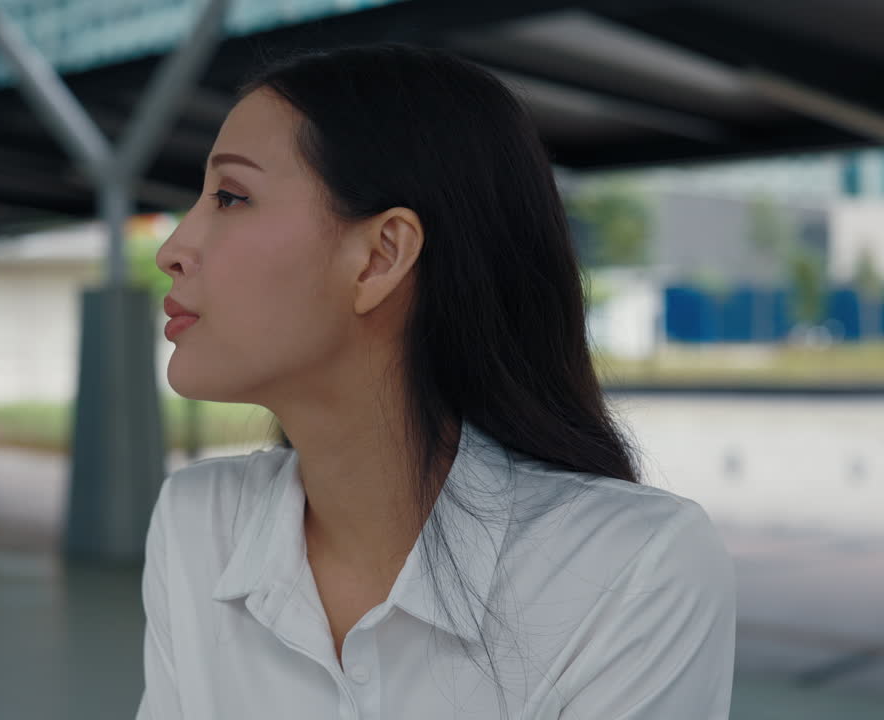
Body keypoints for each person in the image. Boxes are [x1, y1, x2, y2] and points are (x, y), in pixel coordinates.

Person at [139, 45, 735, 719]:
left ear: (381, 257)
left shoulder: (635, 569)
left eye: (230, 197)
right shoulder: (198, 524)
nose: (171, 251)